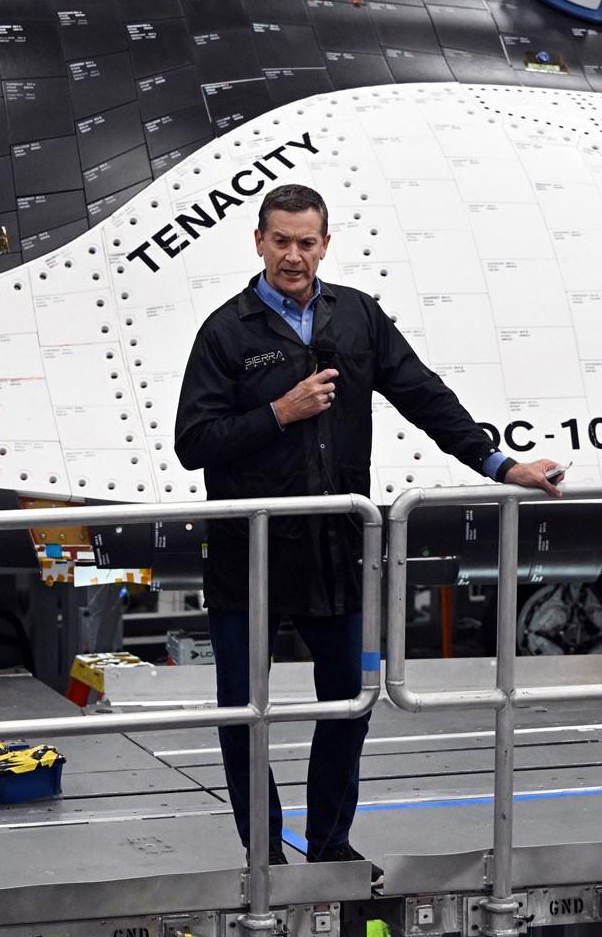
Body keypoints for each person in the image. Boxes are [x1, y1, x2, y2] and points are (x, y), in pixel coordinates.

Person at [173, 183, 565, 878]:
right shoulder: (225, 332)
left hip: (335, 551)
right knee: (244, 715)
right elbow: (194, 441)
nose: (294, 255)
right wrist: (281, 411)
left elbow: (422, 393)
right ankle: (264, 855)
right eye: (281, 241)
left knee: (351, 704)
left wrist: (499, 464)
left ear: (325, 244)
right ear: (258, 242)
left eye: (307, 242)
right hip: (249, 557)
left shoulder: (355, 316)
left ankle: (328, 845)